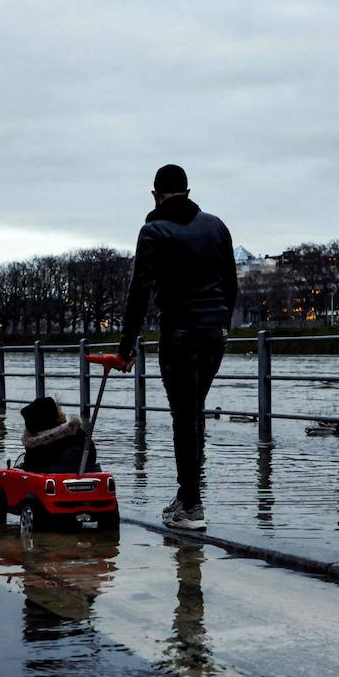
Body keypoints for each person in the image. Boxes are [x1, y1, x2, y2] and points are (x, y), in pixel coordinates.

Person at [118, 164, 237, 531]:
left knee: (184, 416)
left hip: (179, 334)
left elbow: (139, 291)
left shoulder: (153, 231)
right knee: (194, 412)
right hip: (212, 334)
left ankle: (191, 505)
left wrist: (126, 347)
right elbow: (230, 281)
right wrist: (223, 324)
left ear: (156, 193)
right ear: (187, 190)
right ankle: (187, 497)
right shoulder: (216, 226)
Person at [20, 396, 98, 473]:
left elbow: (28, 467)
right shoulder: (78, 435)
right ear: (53, 417)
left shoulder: (35, 450)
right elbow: (91, 454)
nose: (63, 413)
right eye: (59, 410)